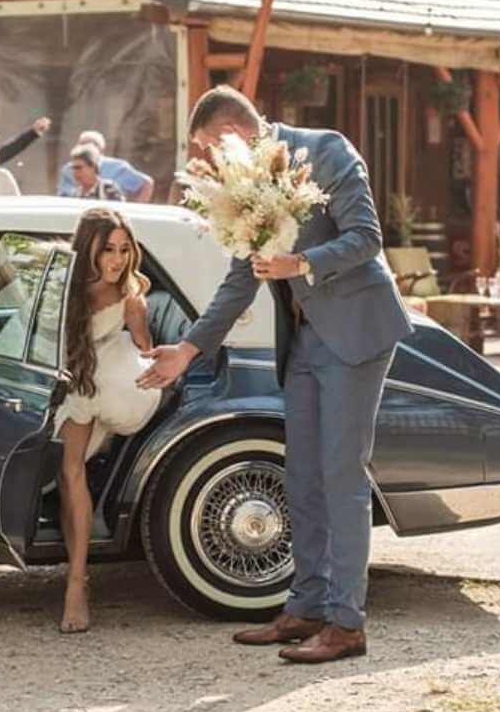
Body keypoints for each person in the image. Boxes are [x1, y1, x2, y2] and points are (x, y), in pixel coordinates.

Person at [137, 85, 413, 665]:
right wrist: (187, 350)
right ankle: (306, 606)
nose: (209, 162)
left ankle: (347, 624)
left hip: (355, 331)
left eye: (209, 149)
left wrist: (300, 263)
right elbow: (242, 280)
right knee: (301, 475)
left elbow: (367, 238)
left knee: (341, 475)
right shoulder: (245, 185)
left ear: (231, 133)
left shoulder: (326, 150)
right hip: (304, 340)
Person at [56, 207, 161, 633]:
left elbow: (145, 349)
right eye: (107, 251)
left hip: (99, 381)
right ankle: (76, 562)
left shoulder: (131, 296)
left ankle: (76, 583)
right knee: (66, 476)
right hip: (61, 376)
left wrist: (141, 325)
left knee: (71, 470)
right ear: (89, 250)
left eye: (123, 250)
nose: (117, 260)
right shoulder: (65, 283)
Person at [56, 131, 154, 202]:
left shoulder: (116, 173)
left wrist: (135, 210)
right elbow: (62, 198)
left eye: (89, 149)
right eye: (82, 148)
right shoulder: (69, 172)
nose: (75, 172)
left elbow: (146, 183)